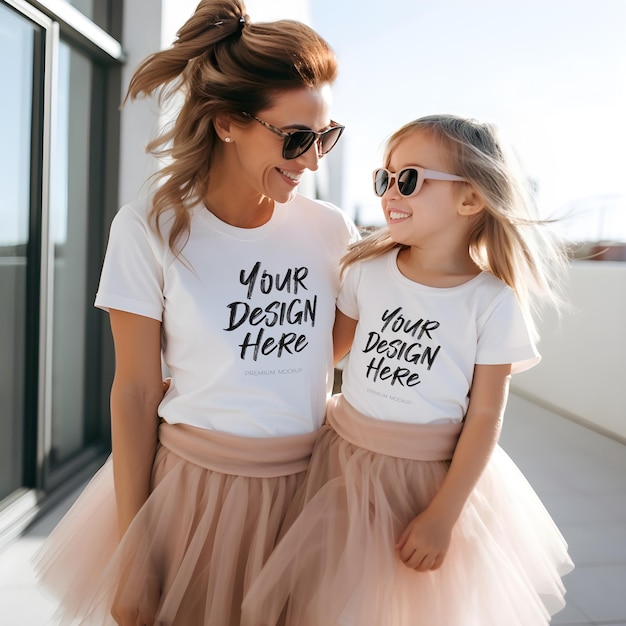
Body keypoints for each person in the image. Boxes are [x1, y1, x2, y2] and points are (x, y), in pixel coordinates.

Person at [33, 1, 358, 624]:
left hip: (310, 492)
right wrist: (134, 550)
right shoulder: (149, 228)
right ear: (227, 123)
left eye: (325, 137)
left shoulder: (329, 230)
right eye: (295, 139)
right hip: (194, 494)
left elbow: (326, 349)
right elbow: (132, 391)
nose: (313, 161)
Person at [241, 114, 575, 626]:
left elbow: (485, 416)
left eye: (411, 179)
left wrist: (443, 516)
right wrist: (231, 377)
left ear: (470, 198)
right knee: (327, 603)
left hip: (427, 482)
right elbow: (319, 356)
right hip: (339, 466)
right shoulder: (365, 273)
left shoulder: (492, 301)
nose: (391, 192)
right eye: (385, 178)